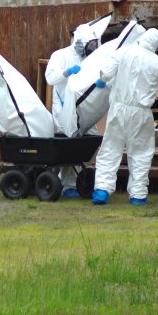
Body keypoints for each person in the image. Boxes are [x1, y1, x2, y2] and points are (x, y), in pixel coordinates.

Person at [91, 28, 158, 206]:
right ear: (157, 45)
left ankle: (102, 190)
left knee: (111, 148)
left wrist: (101, 80)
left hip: (118, 108)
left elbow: (106, 72)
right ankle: (138, 196)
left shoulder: (124, 51)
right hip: (142, 112)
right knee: (140, 152)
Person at [45, 23, 100, 198]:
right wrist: (67, 72)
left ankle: (80, 180)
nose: (91, 49)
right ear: (79, 42)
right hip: (63, 109)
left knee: (88, 143)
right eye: (88, 45)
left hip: (84, 109)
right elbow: (50, 77)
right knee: (69, 147)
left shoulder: (89, 58)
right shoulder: (60, 56)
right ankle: (68, 185)